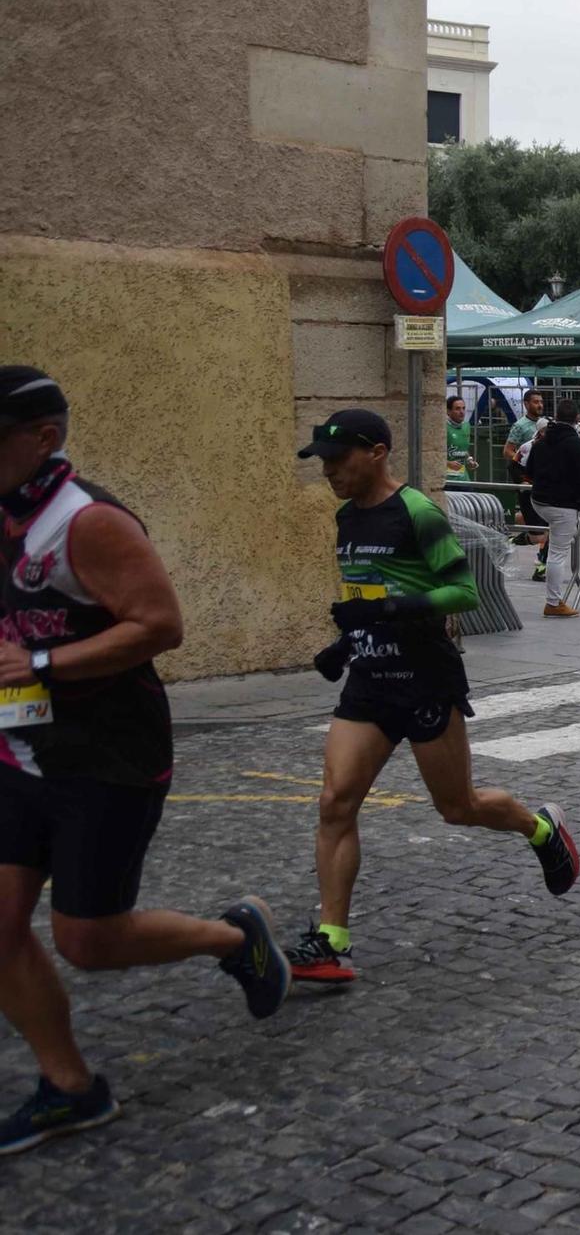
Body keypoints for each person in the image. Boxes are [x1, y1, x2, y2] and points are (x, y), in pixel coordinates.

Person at [0, 368, 289, 1153]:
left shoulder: (87, 522)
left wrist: (44, 666)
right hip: (19, 750)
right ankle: (72, 1089)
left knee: (87, 941)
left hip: (107, 756)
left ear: (42, 441)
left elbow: (161, 624)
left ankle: (237, 939)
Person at [287, 409, 580, 983]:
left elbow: (463, 592)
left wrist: (390, 611)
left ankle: (542, 830)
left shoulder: (416, 511)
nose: (329, 472)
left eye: (338, 459)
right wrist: (345, 645)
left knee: (458, 807)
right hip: (370, 680)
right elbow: (368, 596)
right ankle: (331, 941)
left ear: (376, 452)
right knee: (334, 803)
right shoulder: (347, 518)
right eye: (322, 461)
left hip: (425, 679)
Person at [525, 399, 580, 618]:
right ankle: (553, 602)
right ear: (577, 419)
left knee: (555, 546)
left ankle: (554, 601)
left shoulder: (541, 441)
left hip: (540, 500)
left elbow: (529, 470)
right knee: (557, 554)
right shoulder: (578, 445)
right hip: (563, 505)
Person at [503, 389, 546, 543]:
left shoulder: (545, 423)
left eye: (541, 401)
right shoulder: (520, 426)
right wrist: (523, 460)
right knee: (531, 511)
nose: (540, 405)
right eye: (536, 402)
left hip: (540, 476)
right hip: (525, 475)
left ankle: (501, 524)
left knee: (533, 513)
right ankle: (503, 525)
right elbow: (507, 451)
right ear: (526, 404)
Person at [443, 395, 477, 484]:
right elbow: (432, 455)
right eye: (457, 409)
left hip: (463, 479)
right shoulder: (442, 427)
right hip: (447, 480)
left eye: (463, 408)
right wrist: (448, 463)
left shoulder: (466, 426)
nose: (462, 412)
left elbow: (464, 449)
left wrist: (469, 460)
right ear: (448, 411)